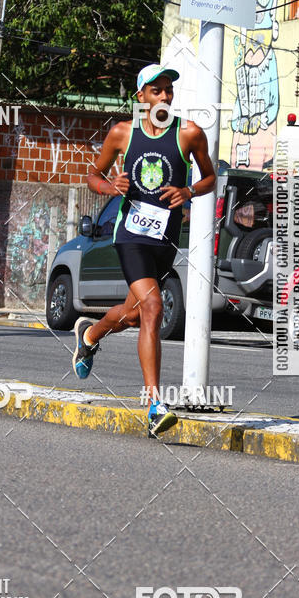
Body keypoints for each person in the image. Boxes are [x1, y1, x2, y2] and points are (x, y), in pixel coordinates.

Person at [72, 64, 216, 437]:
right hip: (131, 235)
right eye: (156, 90)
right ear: (141, 97)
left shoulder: (189, 133)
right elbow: (93, 175)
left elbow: (210, 177)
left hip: (165, 238)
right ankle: (154, 405)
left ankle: (89, 335)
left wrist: (188, 191)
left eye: (168, 90)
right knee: (153, 307)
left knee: (136, 315)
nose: (165, 96)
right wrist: (110, 187)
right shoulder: (123, 133)